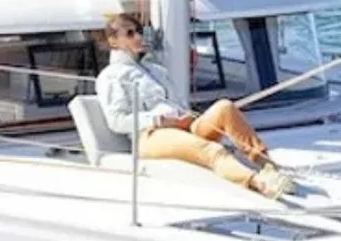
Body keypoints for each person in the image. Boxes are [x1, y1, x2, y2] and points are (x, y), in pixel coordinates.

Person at [95, 13, 297, 198]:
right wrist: (160, 120)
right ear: (113, 41)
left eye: (139, 31)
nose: (138, 37)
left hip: (182, 126)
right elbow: (116, 120)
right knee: (212, 150)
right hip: (150, 136)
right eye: (130, 33)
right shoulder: (111, 76)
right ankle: (258, 183)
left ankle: (265, 164)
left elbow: (175, 103)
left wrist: (185, 117)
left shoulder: (155, 70)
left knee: (224, 107)